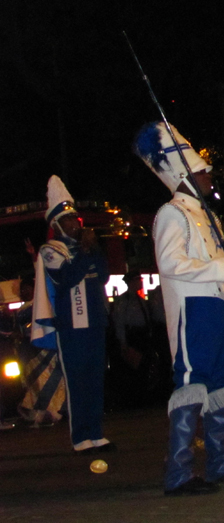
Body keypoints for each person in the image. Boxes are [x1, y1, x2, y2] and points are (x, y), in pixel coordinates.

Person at [135, 120, 224, 496]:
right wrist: (223, 267)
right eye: (203, 173)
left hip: (217, 306)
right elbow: (170, 264)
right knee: (192, 384)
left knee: (220, 382)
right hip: (193, 309)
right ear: (185, 176)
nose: (209, 179)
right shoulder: (172, 213)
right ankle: (179, 474)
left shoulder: (207, 215)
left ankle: (222, 463)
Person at [30, 176, 114, 453]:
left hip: (94, 323)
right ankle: (81, 437)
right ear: (55, 224)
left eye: (75, 219)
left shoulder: (86, 247)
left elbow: (101, 275)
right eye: (67, 220)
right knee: (77, 381)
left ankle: (96, 433)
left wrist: (90, 253)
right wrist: (85, 255)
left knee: (95, 379)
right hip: (71, 327)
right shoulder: (51, 250)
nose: (74, 224)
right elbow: (67, 278)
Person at [16, 275, 66, 427]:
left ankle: (50, 412)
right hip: (26, 349)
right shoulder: (21, 309)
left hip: (42, 347)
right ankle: (36, 413)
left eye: (28, 289)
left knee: (46, 380)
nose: (25, 291)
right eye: (22, 289)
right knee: (31, 382)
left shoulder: (41, 306)